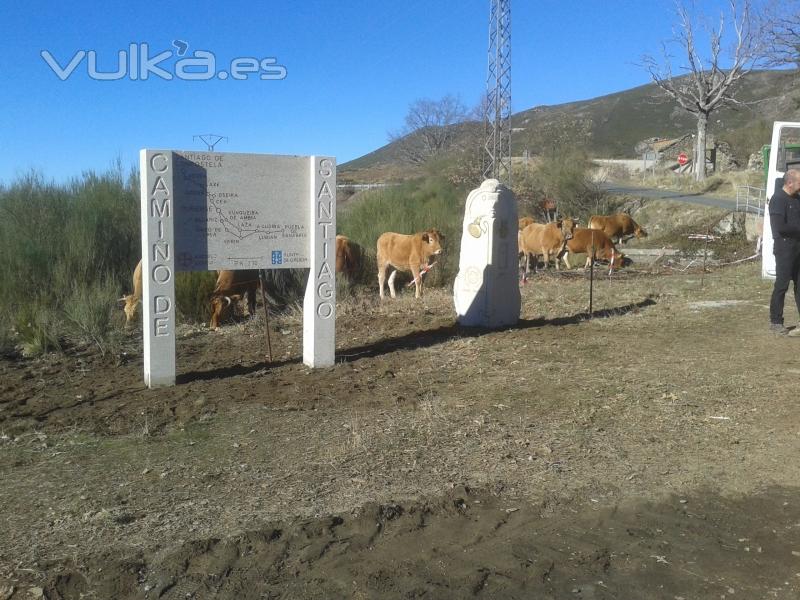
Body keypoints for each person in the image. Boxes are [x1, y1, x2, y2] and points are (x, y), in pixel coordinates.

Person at [769, 168, 800, 335]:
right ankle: (776, 322)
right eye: (799, 182)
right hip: (784, 248)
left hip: (798, 247)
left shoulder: (797, 199)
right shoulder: (777, 199)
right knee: (782, 285)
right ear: (789, 183)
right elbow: (780, 227)